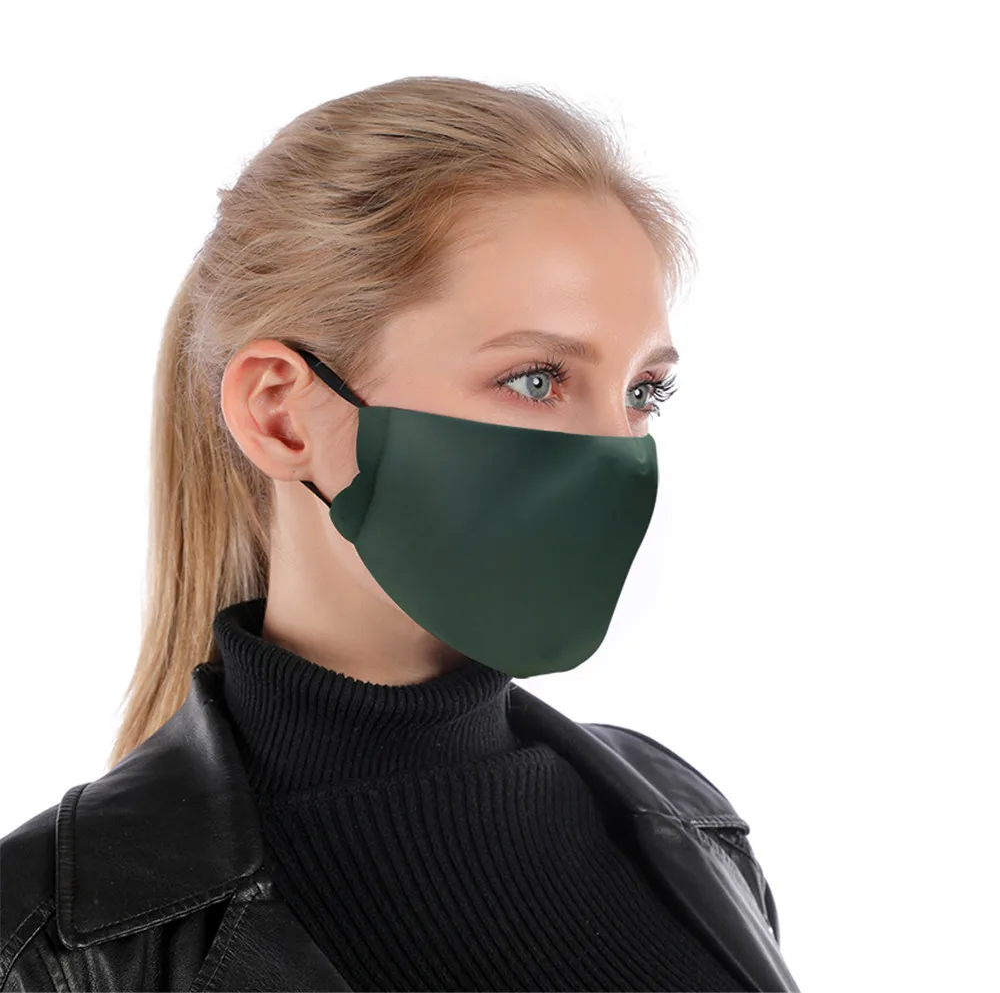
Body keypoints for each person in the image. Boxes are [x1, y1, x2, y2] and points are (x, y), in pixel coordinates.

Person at [0, 75, 800, 993]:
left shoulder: (690, 827)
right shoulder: (51, 944)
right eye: (536, 379)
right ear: (281, 415)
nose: (614, 453)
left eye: (642, 392)